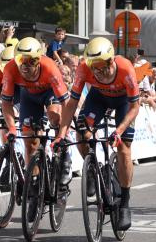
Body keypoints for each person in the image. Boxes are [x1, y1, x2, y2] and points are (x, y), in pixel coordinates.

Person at [55, 36, 139, 229]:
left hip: (124, 102)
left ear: (111, 60)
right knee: (82, 133)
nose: (98, 71)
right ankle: (94, 170)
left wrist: (118, 131)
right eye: (94, 66)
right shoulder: (84, 68)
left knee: (124, 148)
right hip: (99, 98)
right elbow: (72, 103)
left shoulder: (126, 68)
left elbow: (135, 107)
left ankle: (125, 202)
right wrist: (61, 133)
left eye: (102, 66)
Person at [0, 37, 69, 187]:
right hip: (29, 97)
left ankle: (64, 154)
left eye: (31, 61)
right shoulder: (11, 68)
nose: (25, 66)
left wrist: (63, 133)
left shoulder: (50, 67)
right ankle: (35, 180)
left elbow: (66, 104)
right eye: (21, 60)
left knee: (53, 117)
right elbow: (5, 103)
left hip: (49, 93)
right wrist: (12, 128)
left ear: (39, 60)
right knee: (30, 143)